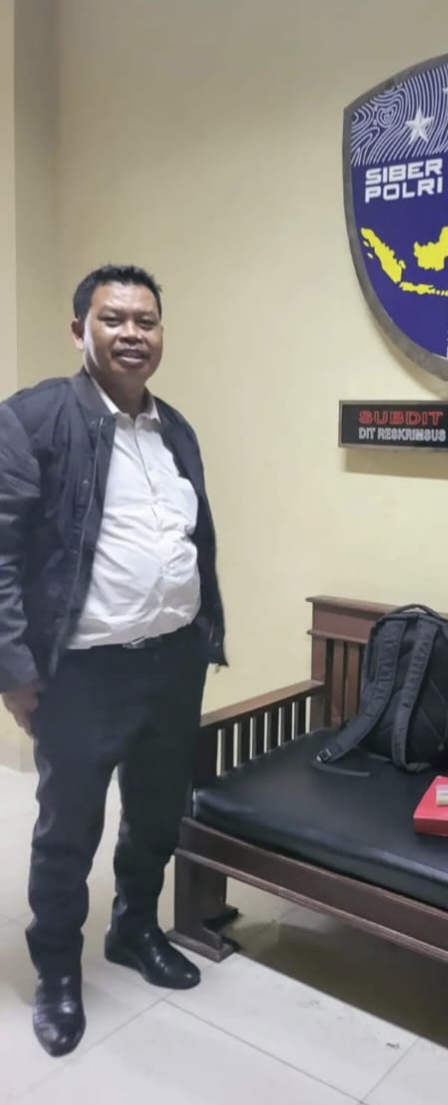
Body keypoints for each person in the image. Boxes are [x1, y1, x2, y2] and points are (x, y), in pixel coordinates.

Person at [0, 264, 226, 1058]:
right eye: (114, 319)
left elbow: (190, 541)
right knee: (69, 830)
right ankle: (58, 969)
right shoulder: (32, 420)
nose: (133, 333)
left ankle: (134, 927)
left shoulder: (176, 430)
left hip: (171, 664)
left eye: (146, 321)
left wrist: (204, 635)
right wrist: (13, 669)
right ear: (80, 332)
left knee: (157, 812)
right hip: (81, 673)